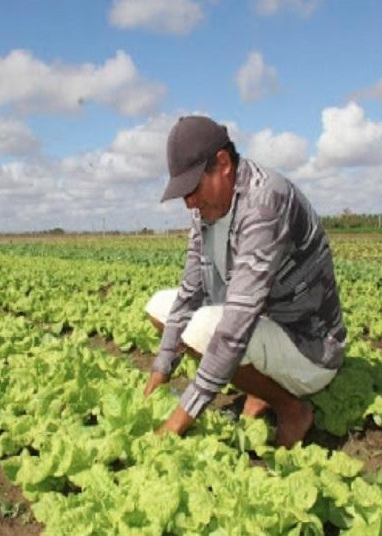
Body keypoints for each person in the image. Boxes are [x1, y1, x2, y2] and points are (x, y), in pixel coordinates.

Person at [143, 115, 347, 447]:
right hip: (264, 329)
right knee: (160, 307)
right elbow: (190, 291)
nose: (189, 202)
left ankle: (292, 409)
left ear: (223, 163)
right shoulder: (206, 211)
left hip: (308, 347)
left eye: (193, 188)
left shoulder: (265, 201)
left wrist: (176, 424)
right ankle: (260, 388)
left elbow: (236, 325)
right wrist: (160, 372)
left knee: (203, 329)